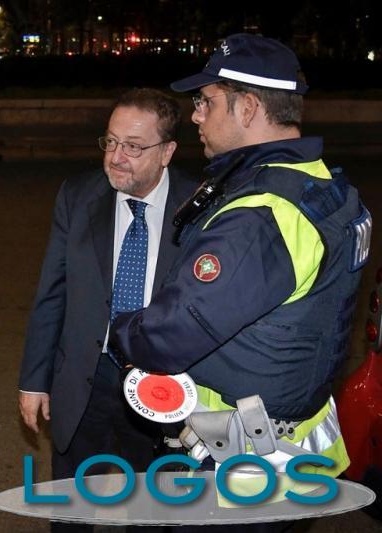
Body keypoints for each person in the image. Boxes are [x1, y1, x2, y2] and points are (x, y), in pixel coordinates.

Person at [108, 33, 371, 530]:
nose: (196, 116)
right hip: (295, 445)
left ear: (248, 108)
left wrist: (122, 331)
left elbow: (168, 336)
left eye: (207, 102)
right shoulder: (327, 187)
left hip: (243, 466)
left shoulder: (262, 217)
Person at [18, 88, 199, 530]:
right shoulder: (78, 195)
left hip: (163, 387)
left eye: (134, 147)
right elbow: (53, 293)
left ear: (167, 152)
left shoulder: (200, 206)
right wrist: (34, 380)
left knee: (156, 512)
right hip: (86, 379)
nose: (117, 157)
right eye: (111, 141)